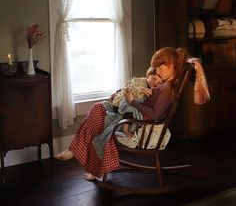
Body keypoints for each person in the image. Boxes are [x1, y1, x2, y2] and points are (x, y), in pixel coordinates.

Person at [54, 47, 190, 181]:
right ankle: (77, 153)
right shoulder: (162, 82)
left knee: (104, 126)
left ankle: (83, 158)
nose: (158, 72)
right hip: (129, 112)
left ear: (172, 66)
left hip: (136, 122)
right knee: (97, 108)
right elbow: (142, 89)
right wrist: (120, 93)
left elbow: (155, 115)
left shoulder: (167, 89)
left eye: (160, 67)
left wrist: (132, 102)